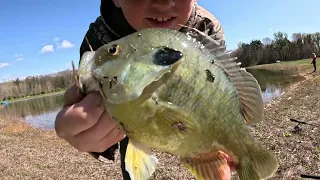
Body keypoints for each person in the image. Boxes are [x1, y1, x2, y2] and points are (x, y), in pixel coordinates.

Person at [55, 0, 231, 179]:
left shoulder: (206, 27)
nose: (163, 3)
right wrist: (90, 136)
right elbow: (95, 95)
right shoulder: (97, 40)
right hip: (130, 125)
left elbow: (223, 95)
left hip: (195, 120)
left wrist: (219, 149)